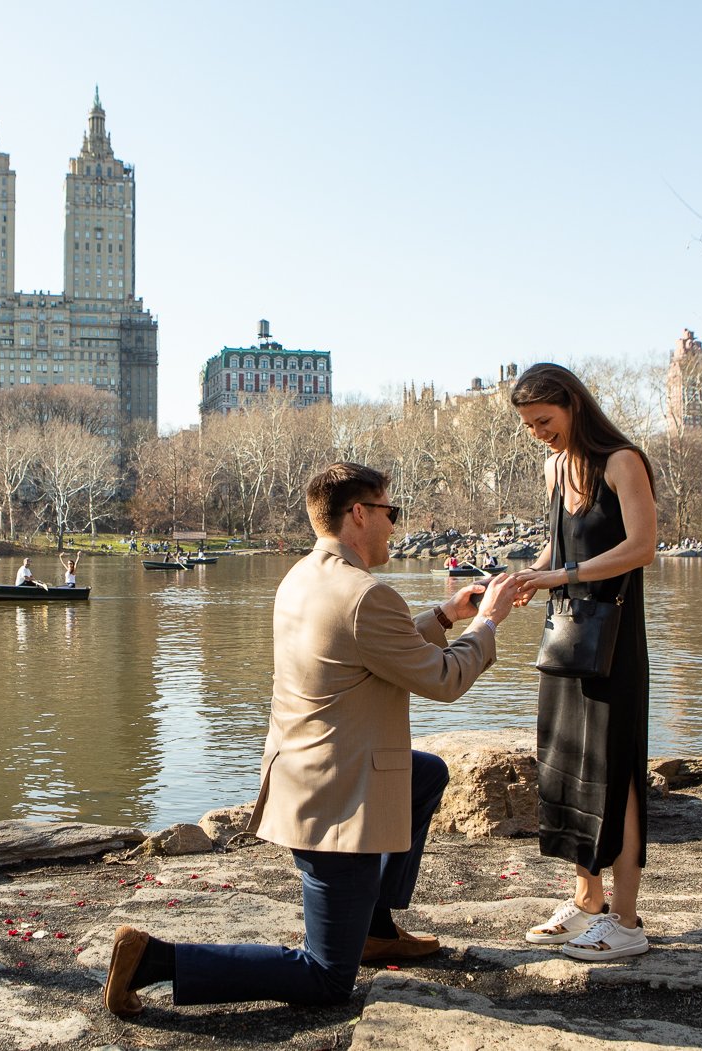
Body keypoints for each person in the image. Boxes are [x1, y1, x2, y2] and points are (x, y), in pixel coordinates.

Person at [104, 462, 531, 1017]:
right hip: (337, 799)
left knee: (425, 774)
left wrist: (445, 615)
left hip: (301, 772)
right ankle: (153, 961)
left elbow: (370, 647)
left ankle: (374, 928)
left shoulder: (305, 575)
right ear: (360, 513)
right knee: (328, 979)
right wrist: (487, 623)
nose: (394, 527)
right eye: (389, 513)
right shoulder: (365, 594)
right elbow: (442, 679)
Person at [511, 363, 657, 961]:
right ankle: (587, 900)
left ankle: (626, 921)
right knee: (567, 763)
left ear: (573, 405)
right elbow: (563, 543)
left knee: (614, 771)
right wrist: (526, 575)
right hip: (568, 636)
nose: (537, 433)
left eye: (544, 420)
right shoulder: (554, 466)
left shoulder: (622, 461)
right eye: (528, 425)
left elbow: (640, 548)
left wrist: (561, 575)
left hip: (614, 641)